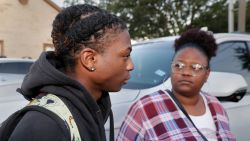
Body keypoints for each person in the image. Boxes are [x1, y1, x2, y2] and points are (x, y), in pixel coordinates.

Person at [8, 4, 134, 141]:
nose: (130, 66)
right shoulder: (44, 126)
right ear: (90, 59)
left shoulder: (94, 105)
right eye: (125, 56)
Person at [116, 28, 235, 141]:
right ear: (171, 67)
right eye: (179, 65)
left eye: (196, 67)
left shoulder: (216, 106)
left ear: (207, 74)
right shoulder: (146, 108)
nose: (186, 72)